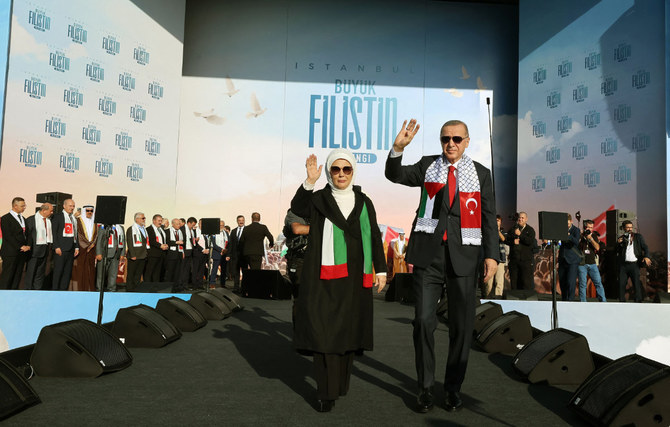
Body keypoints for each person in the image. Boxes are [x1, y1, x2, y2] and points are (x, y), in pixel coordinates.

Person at [385, 119, 498, 413]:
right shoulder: (427, 166)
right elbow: (394, 175)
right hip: (429, 255)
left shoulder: (481, 174)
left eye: (457, 139)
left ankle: (452, 388)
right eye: (445, 138)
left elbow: (488, 216)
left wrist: (492, 256)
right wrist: (398, 148)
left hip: (465, 255)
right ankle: (424, 389)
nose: (450, 144)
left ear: (467, 141)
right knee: (423, 321)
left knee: (462, 327)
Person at [291, 149, 387, 412]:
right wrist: (309, 181)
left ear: (353, 171)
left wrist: (380, 269)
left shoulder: (364, 201)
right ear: (329, 172)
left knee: (347, 333)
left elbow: (374, 236)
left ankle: (339, 385)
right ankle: (325, 391)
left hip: (355, 278)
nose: (341, 174)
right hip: (322, 276)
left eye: (346, 169)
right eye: (336, 169)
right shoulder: (319, 198)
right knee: (324, 334)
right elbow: (297, 209)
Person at [0, 197, 31, 289]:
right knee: (7, 276)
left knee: (17, 276)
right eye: (22, 206)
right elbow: (8, 236)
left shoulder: (23, 219)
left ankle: (13, 295)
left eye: (24, 205)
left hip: (22, 253)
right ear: (15, 206)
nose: (24, 207)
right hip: (11, 253)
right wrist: (20, 246)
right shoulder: (6, 218)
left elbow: (28, 234)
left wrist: (28, 245)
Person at [616, 220, 651, 302]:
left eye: (631, 227)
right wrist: (618, 243)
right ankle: (621, 301)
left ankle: (638, 301)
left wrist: (646, 256)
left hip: (634, 265)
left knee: (636, 283)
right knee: (621, 283)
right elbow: (616, 251)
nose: (629, 229)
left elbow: (645, 247)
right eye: (627, 227)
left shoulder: (638, 237)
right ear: (623, 228)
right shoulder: (621, 238)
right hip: (624, 265)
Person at [51, 199, 80, 290]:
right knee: (58, 271)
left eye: (73, 206)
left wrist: (77, 247)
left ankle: (64, 291)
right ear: (64, 206)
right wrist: (56, 246)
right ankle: (55, 290)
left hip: (71, 248)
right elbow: (54, 232)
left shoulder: (73, 218)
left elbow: (76, 233)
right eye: (70, 206)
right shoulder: (57, 216)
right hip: (61, 249)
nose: (72, 208)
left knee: (67, 272)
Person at [24, 203, 54, 290]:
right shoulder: (31, 219)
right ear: (44, 210)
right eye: (50, 211)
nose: (52, 213)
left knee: (40, 275)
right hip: (33, 252)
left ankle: (37, 291)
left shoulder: (48, 221)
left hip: (44, 251)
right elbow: (28, 236)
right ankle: (28, 292)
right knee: (31, 274)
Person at [577, 219, 606, 302]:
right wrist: (581, 236)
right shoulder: (580, 236)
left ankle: (603, 301)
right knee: (583, 284)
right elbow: (576, 245)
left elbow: (597, 247)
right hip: (582, 263)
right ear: (585, 227)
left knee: (598, 283)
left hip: (592, 264)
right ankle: (583, 302)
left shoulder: (593, 236)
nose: (590, 229)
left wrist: (591, 239)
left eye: (591, 227)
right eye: (588, 227)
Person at [71, 205, 98, 291]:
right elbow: (78, 235)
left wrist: (92, 245)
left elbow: (96, 235)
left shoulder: (95, 223)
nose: (89, 212)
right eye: (87, 210)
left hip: (91, 251)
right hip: (81, 250)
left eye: (91, 211)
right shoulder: (78, 221)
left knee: (90, 271)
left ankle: (89, 289)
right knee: (79, 271)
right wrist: (87, 246)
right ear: (83, 211)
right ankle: (79, 289)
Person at [506, 212, 536, 290]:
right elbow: (507, 240)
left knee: (525, 283)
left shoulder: (530, 230)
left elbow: (530, 242)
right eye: (519, 217)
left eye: (522, 218)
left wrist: (520, 235)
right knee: (514, 283)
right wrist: (513, 242)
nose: (520, 219)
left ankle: (525, 300)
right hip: (514, 260)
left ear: (526, 219)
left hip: (525, 261)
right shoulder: (513, 229)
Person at [95, 224, 125, 292]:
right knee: (101, 274)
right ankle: (99, 289)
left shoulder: (121, 228)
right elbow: (99, 240)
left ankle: (112, 289)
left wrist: (122, 253)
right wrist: (98, 253)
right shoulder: (103, 227)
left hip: (116, 254)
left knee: (113, 274)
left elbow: (123, 240)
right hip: (104, 253)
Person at [483, 215, 508, 298]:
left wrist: (497, 231)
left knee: (499, 281)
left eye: (498, 220)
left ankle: (498, 298)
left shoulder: (503, 232)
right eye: (495, 220)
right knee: (488, 282)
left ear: (500, 222)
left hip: (500, 259)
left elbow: (504, 239)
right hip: (490, 258)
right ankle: (487, 298)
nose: (496, 222)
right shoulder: (488, 231)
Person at [557, 214, 581, 301]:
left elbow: (576, 242)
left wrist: (569, 235)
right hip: (562, 259)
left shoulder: (576, 230)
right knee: (562, 282)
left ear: (571, 221)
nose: (566, 225)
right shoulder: (560, 230)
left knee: (571, 282)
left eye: (567, 223)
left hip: (572, 260)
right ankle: (564, 299)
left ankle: (570, 300)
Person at [125, 212, 148, 291]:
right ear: (137, 219)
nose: (144, 219)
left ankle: (136, 288)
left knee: (138, 273)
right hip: (134, 255)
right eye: (143, 218)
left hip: (142, 255)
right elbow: (130, 242)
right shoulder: (131, 229)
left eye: (144, 218)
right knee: (131, 273)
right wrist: (132, 254)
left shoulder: (144, 229)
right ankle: (129, 289)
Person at [146, 214, 168, 282]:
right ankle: (147, 286)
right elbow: (151, 240)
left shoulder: (161, 229)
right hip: (153, 254)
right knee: (150, 271)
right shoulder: (149, 229)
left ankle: (155, 287)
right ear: (154, 221)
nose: (160, 222)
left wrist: (165, 245)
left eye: (161, 221)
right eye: (159, 220)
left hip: (161, 254)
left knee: (157, 272)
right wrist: (160, 246)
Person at [227, 215, 245, 293]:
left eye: (242, 220)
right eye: (239, 220)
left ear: (244, 221)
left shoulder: (247, 230)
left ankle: (244, 288)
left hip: (244, 255)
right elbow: (230, 244)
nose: (241, 221)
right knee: (236, 272)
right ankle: (236, 287)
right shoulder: (233, 231)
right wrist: (228, 254)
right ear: (237, 221)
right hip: (235, 255)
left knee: (245, 272)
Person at [209, 220, 229, 287]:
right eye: (220, 225)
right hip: (217, 253)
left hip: (224, 254)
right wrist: (221, 250)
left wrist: (225, 250)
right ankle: (212, 283)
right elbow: (213, 244)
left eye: (222, 225)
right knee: (215, 269)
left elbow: (228, 242)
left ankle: (223, 284)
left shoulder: (225, 233)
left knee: (224, 270)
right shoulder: (213, 233)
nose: (221, 226)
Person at [165, 218, 184, 285]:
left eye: (179, 224)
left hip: (179, 254)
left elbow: (182, 242)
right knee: (170, 272)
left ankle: (176, 286)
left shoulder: (180, 232)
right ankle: (168, 286)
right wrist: (176, 242)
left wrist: (182, 252)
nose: (179, 225)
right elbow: (167, 242)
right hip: (171, 255)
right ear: (172, 224)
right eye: (177, 224)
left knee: (177, 272)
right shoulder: (167, 231)